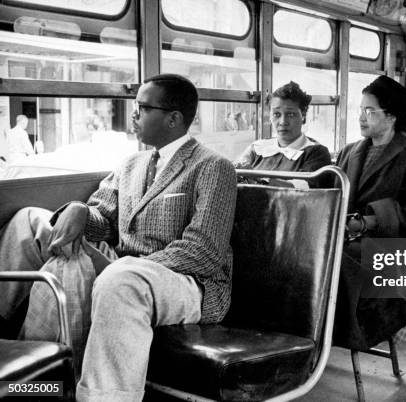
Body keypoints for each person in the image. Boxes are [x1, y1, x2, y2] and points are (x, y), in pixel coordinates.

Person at [0, 74, 237, 401]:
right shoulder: (131, 164)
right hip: (126, 265)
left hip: (187, 281)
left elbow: (204, 252)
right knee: (30, 220)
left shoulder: (214, 167)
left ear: (173, 118)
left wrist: (121, 264)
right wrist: (81, 211)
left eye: (143, 108)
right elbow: (105, 219)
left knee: (120, 280)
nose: (134, 116)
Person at [333, 75, 406, 350]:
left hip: (389, 244)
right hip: (347, 238)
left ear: (391, 117)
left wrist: (367, 221)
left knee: (341, 259)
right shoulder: (348, 152)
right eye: (360, 110)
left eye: (370, 111)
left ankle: (346, 331)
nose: (361, 117)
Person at [234, 81, 331, 188]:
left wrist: (259, 179)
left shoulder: (316, 153)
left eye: (290, 114)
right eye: (276, 114)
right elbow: (236, 172)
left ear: (303, 114)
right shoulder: (257, 148)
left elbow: (303, 189)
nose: (283, 121)